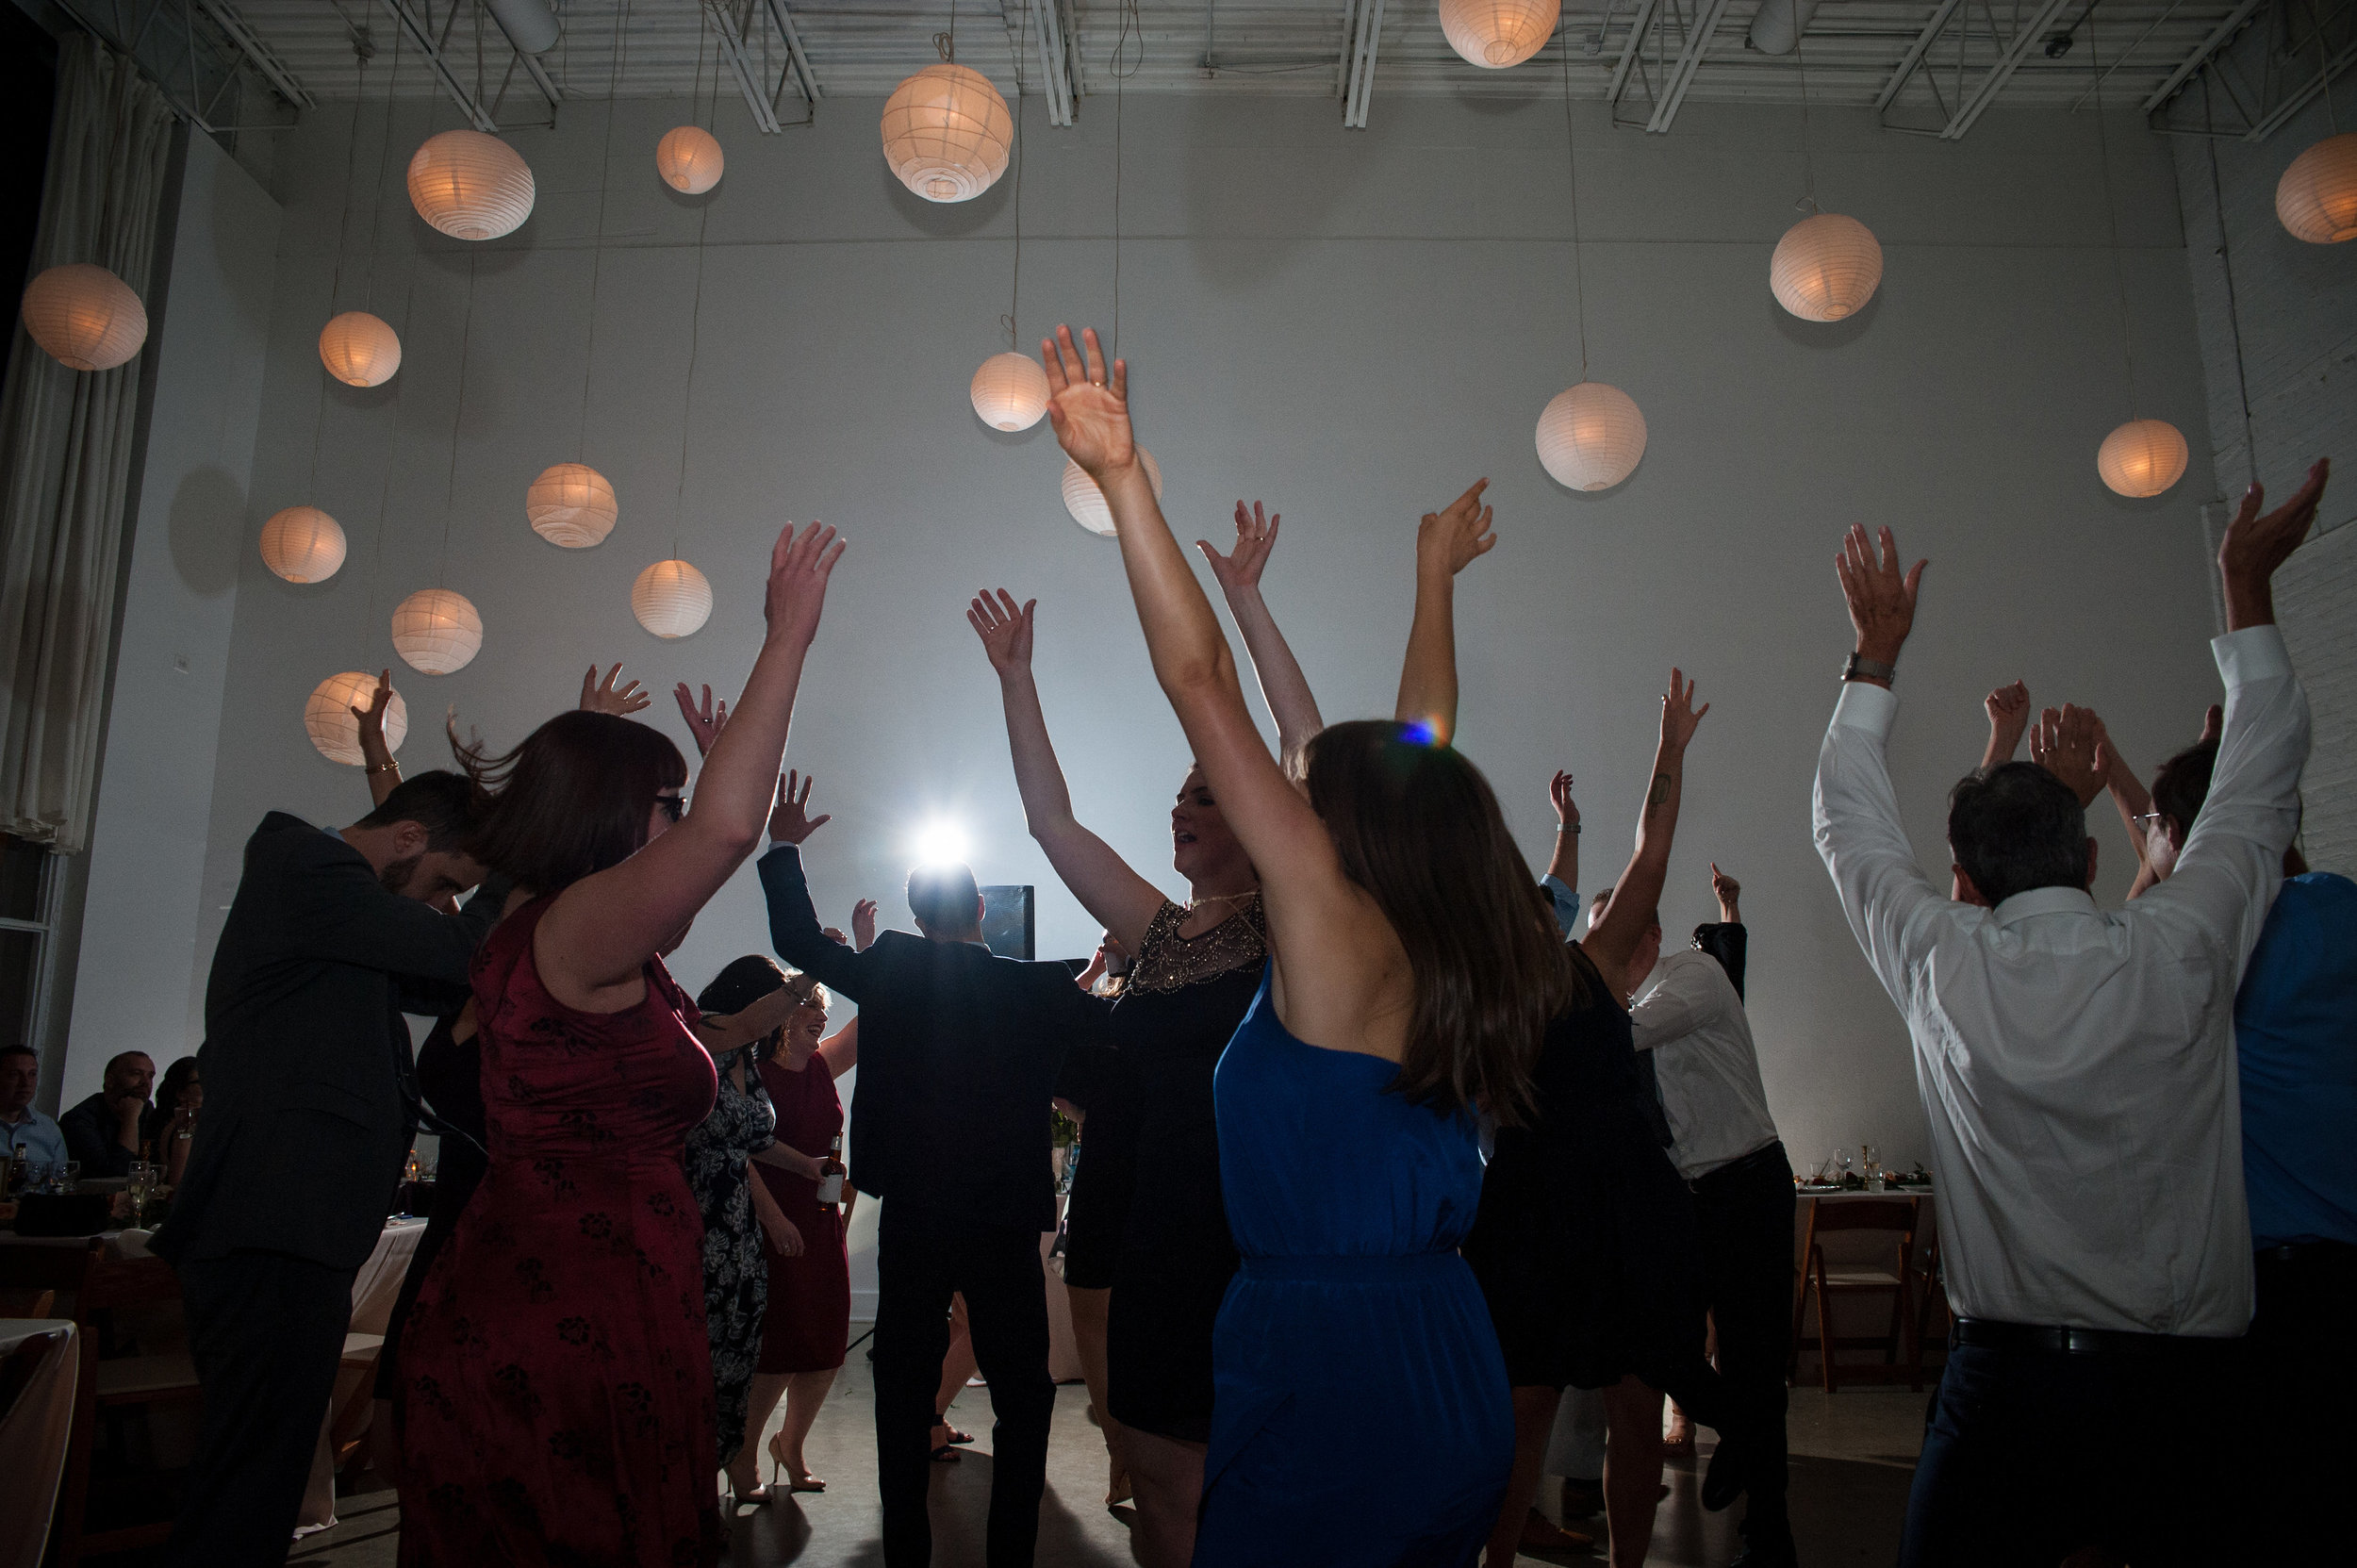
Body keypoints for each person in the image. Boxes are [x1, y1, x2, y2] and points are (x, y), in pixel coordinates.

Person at [1043, 322, 1555, 1564]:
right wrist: (1432, 582)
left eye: (1300, 776)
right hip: (1442, 1344)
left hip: (1333, 1367)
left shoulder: (1326, 915)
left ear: (1333, 827)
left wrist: (1125, 485)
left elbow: (1198, 678)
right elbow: (1424, 749)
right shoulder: (1429, 926)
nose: (1286, 770)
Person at [1811, 461, 2326, 1567]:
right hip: (2181, 1395)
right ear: (2094, 854)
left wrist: (1874, 657)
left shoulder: (1941, 961)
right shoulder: (2181, 947)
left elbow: (1842, 822)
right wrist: (2242, 586)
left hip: (2004, 1391)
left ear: (1968, 875)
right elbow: (2262, 777)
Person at [395, 519, 843, 1568]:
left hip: (609, 1295)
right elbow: (724, 837)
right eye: (664, 805)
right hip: (558, 1322)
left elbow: (699, 892)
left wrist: (725, 760)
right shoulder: (568, 924)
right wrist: (786, 636)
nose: (680, 826)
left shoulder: (587, 937)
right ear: (608, 811)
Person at [962, 494, 1325, 1567]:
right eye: (1179, 797)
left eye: (1208, 798)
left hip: (1263, 1235)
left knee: (1261, 1485)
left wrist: (1248, 604)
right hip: (1162, 1236)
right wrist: (1016, 684)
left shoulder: (1295, 927)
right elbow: (1052, 823)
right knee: (1163, 1486)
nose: (1183, 810)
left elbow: (1305, 756)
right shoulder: (1159, 938)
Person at [151, 771, 501, 1568]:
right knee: (250, 1471)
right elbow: (455, 949)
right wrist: (512, 865)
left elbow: (442, 975)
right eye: (447, 881)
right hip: (270, 1214)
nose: (441, 901)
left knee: (264, 1470)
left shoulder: (339, 917)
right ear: (409, 838)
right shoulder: (305, 864)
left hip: (294, 1219)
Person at [761, 771, 1108, 1568]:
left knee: (900, 1388)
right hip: (1005, 1216)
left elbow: (798, 942)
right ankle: (1010, 1554)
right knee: (1022, 1394)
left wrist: (784, 848)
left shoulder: (892, 966)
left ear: (916, 916)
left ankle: (908, 1554)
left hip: (916, 1211)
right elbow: (1119, 1028)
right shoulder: (1035, 986)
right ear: (983, 910)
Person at [1465, 678, 1743, 1568]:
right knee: (1524, 1413)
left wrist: (1670, 747)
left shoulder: (1591, 960)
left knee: (1633, 1402)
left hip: (1627, 1208)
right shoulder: (1473, 997)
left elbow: (1652, 856)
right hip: (1534, 1217)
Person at [2101, 711, 2356, 1560]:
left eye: (2159, 830)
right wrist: (2186, 781)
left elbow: (2140, 929)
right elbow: (2253, 869)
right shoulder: (2337, 909)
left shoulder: (2211, 958)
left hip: (2264, 1286)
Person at [1627, 869, 1793, 1568]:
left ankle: (1769, 1541)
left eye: (1624, 935)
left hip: (1751, 1187)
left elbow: (1624, 1032)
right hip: (1696, 1202)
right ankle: (1744, 1427)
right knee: (1659, 1344)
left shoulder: (1692, 974)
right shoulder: (1623, 1017)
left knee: (1754, 1362)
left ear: (1656, 935)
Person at [685, 957, 816, 1507]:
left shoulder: (743, 1055)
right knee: (698, 1361)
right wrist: (813, 970)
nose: (778, 1024)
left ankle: (723, 1473)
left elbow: (753, 1141)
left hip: (735, 1226)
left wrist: (810, 1167)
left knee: (736, 1355)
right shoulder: (703, 1037)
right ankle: (692, 1498)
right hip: (696, 1219)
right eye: (777, 1008)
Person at [740, 966, 860, 1499]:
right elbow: (739, 1150)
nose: (820, 1016)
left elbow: (871, 1022)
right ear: (782, 1013)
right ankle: (743, 1458)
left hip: (819, 1216)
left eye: (822, 1009)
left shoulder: (820, 1064)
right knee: (780, 1346)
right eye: (809, 1006)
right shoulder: (752, 1071)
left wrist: (862, 952)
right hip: (772, 1219)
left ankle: (791, 1444)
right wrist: (773, 1217)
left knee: (827, 1342)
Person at [59, 1050, 153, 1178]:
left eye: (150, 1076)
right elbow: (116, 1174)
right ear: (110, 1081)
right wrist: (130, 1119)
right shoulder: (78, 1119)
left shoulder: (147, 1111)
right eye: (136, 1074)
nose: (146, 1082)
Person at [0, 1044, 68, 1173]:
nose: (25, 1083)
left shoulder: (47, 1128)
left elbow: (61, 1181)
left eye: (32, 1074)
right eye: (15, 1074)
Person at [143, 1056, 203, 1186]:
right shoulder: (187, 1125)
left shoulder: (174, 1122)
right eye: (202, 1081)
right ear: (181, 1093)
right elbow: (178, 1183)